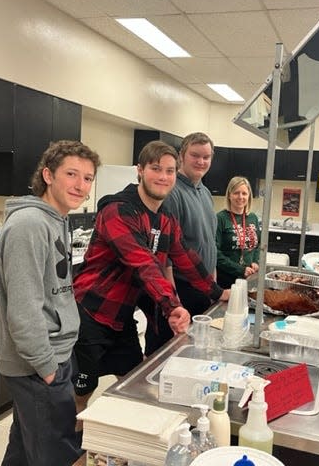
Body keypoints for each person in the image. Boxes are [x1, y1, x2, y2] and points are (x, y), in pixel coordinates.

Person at [72, 140, 229, 418]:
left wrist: (217, 293)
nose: (163, 177)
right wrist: (172, 305)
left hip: (121, 317)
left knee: (133, 381)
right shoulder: (118, 211)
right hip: (90, 314)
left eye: (169, 171)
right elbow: (143, 264)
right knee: (80, 392)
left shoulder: (165, 217)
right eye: (156, 169)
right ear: (140, 171)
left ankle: (115, 446)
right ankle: (69, 449)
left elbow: (185, 257)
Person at [0, 140, 101, 466]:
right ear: (48, 175)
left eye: (87, 178)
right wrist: (48, 369)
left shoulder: (55, 219)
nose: (80, 185)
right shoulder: (30, 225)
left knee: (25, 453)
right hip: (39, 365)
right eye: (71, 174)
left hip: (52, 358)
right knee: (58, 455)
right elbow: (24, 310)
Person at [144, 132, 218, 355]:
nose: (201, 161)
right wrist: (173, 302)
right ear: (181, 156)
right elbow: (165, 253)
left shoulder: (205, 192)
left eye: (206, 157)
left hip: (202, 287)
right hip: (179, 288)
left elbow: (209, 241)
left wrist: (212, 280)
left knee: (191, 352)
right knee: (165, 352)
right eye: (195, 155)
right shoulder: (172, 192)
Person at [215, 176, 260, 288]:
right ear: (229, 195)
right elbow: (215, 253)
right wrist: (239, 269)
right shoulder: (220, 218)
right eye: (236, 193)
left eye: (244, 193)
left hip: (249, 277)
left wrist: (255, 261)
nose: (240, 197)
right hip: (226, 279)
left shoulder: (252, 217)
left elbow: (258, 245)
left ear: (249, 196)